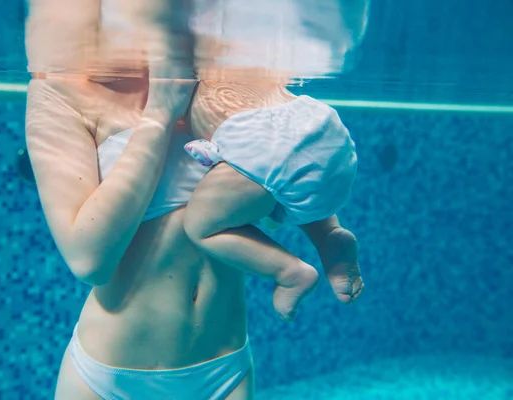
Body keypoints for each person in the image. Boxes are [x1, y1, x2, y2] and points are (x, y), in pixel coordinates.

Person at [24, 0, 364, 398]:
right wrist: (158, 117)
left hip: (223, 370)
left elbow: (278, 155)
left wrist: (326, 232)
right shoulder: (61, 89)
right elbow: (89, 260)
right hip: (110, 379)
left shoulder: (216, 66)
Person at [182, 80, 363, 321]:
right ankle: (329, 234)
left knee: (200, 226)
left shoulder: (192, 65)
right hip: (319, 125)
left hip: (261, 144)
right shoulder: (253, 61)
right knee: (292, 180)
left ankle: (289, 273)